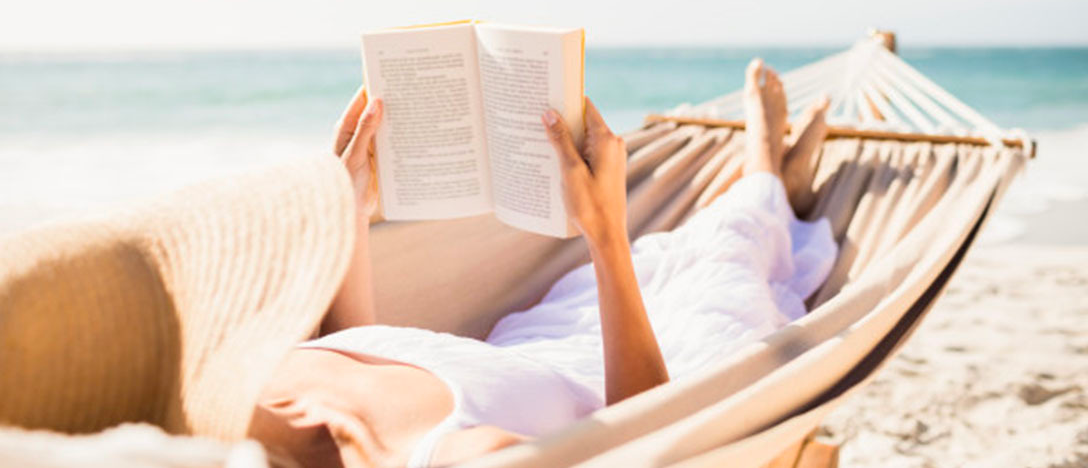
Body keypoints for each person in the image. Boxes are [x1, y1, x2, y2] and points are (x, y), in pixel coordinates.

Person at [247, 59, 836, 468]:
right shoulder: (466, 458)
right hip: (653, 367)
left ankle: (769, 183)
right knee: (722, 263)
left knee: (679, 249)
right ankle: (765, 166)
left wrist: (349, 211)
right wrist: (603, 232)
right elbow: (647, 439)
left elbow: (366, 351)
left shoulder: (250, 388)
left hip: (538, 339)